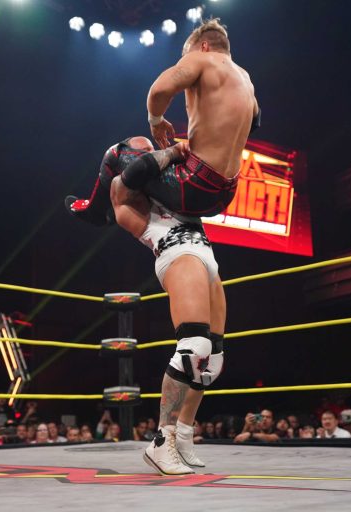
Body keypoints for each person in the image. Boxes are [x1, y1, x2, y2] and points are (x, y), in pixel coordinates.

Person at [108, 137, 226, 476]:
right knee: (193, 349)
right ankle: (162, 440)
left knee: (211, 361)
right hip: (178, 254)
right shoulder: (122, 187)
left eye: (152, 149)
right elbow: (139, 170)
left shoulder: (171, 183)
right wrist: (171, 151)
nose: (151, 153)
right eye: (142, 150)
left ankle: (184, 435)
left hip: (206, 258)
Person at [66, 18, 259, 224]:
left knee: (116, 155)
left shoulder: (203, 59)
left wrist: (156, 120)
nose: (186, 59)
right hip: (225, 196)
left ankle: (95, 212)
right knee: (162, 156)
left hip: (193, 187)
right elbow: (254, 122)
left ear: (204, 46)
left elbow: (159, 90)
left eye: (187, 54)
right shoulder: (245, 78)